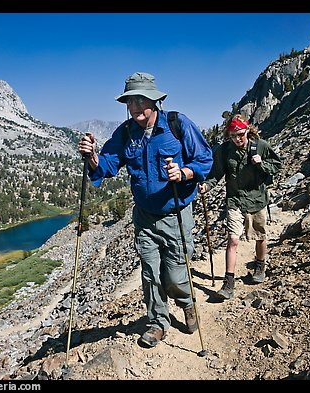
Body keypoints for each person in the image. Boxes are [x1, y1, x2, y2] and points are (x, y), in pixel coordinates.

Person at [78, 72, 213, 347]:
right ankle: (157, 322)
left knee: (174, 275)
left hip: (176, 213)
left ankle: (187, 302)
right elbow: (106, 166)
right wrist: (92, 156)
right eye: (131, 101)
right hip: (144, 217)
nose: (136, 107)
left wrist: (185, 172)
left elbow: (205, 159)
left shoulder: (177, 124)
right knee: (150, 272)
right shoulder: (126, 133)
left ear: (155, 100)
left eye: (141, 99)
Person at [198, 114, 282, 300]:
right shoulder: (224, 150)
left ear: (247, 131)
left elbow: (277, 165)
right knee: (233, 240)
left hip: (257, 199)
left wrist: (262, 164)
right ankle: (228, 283)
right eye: (233, 135)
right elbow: (216, 174)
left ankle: (260, 266)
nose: (237, 139)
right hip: (235, 200)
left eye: (241, 134)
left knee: (260, 236)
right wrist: (207, 186)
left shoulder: (261, 145)